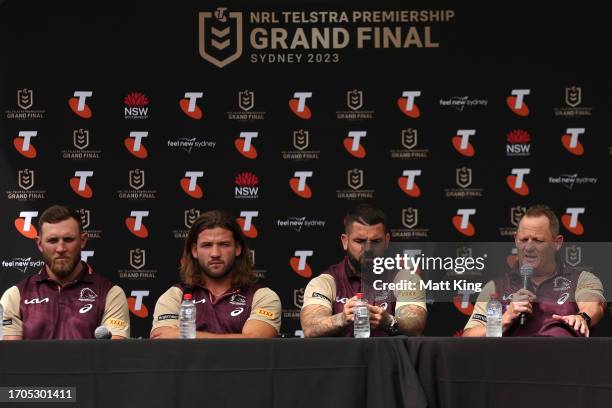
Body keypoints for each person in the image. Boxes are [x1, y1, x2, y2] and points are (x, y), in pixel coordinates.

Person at [463, 204, 606, 337]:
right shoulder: (496, 287)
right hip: (511, 363)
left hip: (564, 361)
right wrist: (503, 321)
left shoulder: (580, 279)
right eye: (523, 240)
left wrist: (582, 317)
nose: (529, 247)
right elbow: (469, 337)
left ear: (557, 243)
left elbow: (594, 305)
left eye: (538, 240)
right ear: (515, 240)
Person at [0, 205, 130, 339]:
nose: (61, 248)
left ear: (83, 240)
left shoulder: (110, 293)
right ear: (39, 244)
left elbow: (114, 355)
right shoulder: (15, 296)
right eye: (52, 240)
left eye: (68, 239)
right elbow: (11, 356)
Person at [300, 203, 427, 337]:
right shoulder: (326, 282)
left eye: (376, 241)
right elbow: (310, 328)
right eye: (360, 241)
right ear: (345, 241)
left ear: (387, 241)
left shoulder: (406, 278)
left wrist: (389, 322)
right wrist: (343, 318)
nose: (368, 249)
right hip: (341, 358)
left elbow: (415, 324)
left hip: (389, 357)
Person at [150, 210, 281, 338]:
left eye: (224, 244)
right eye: (207, 245)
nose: (215, 253)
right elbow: (164, 342)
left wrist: (184, 335)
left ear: (238, 248)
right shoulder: (175, 295)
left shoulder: (262, 296)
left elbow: (255, 343)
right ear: (195, 251)